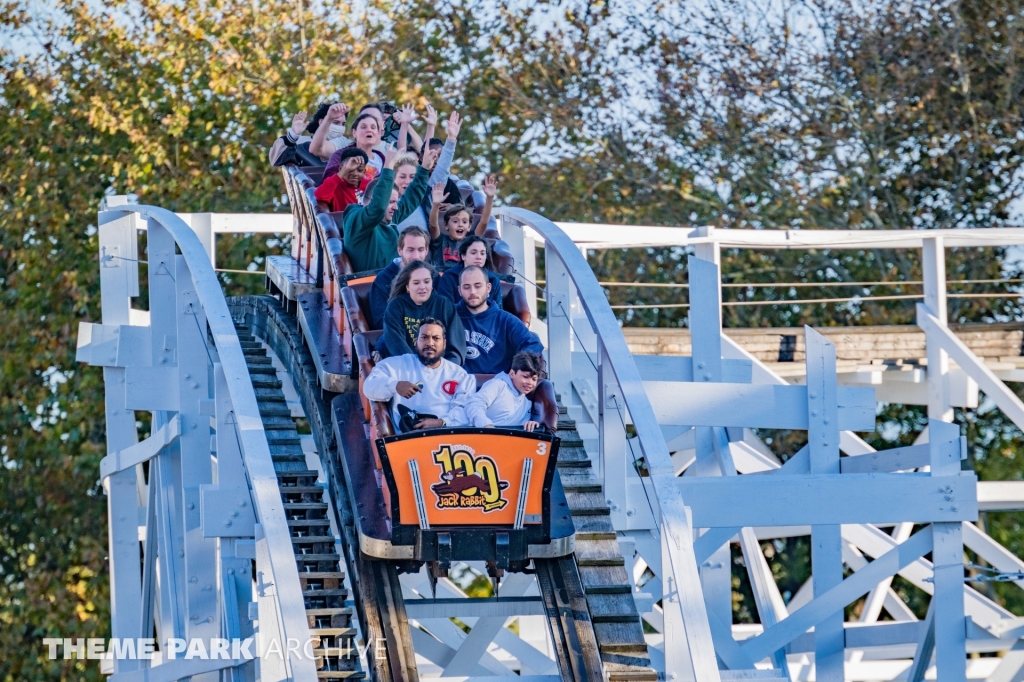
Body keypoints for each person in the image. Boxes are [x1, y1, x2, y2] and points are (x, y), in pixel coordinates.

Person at [363, 319, 475, 432]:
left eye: (436, 338)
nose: (430, 343)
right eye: (424, 337)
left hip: (447, 437)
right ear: (417, 342)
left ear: (444, 343)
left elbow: (465, 411)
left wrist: (441, 422)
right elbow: (368, 387)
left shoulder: (459, 375)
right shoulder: (396, 365)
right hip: (406, 440)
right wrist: (395, 385)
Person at [342, 145, 438, 273]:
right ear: (372, 200)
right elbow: (378, 207)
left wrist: (425, 168)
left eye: (396, 201)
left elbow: (410, 198)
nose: (396, 206)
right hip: (374, 287)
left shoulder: (388, 217)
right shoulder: (357, 219)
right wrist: (388, 167)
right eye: (392, 202)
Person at [456, 266, 543, 374]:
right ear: (459, 290)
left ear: (488, 288)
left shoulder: (505, 320)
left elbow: (533, 343)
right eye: (466, 287)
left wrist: (517, 369)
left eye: (478, 286)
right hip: (455, 385)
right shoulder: (448, 314)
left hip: (496, 385)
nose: (472, 291)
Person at [378, 260, 466, 364]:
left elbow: (456, 348)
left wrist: (445, 371)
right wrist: (419, 369)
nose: (422, 287)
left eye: (427, 281)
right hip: (407, 368)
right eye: (416, 283)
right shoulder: (396, 306)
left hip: (441, 371)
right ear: (407, 287)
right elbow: (397, 346)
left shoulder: (445, 305)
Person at [397, 110, 464, 231]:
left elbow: (442, 169)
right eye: (403, 176)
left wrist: (451, 139)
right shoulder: (390, 200)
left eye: (412, 177)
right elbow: (401, 156)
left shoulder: (429, 189)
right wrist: (404, 125)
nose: (407, 181)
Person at [429, 175, 497, 271]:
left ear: (469, 226)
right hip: (443, 277)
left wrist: (490, 198)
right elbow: (433, 225)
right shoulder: (440, 240)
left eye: (464, 222)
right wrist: (435, 204)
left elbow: (484, 221)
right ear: (445, 225)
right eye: (455, 221)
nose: (460, 224)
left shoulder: (470, 241)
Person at [465, 351, 544, 431]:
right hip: (480, 437)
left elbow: (521, 429)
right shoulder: (497, 385)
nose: (530, 383)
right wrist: (487, 426)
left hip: (508, 441)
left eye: (534, 379)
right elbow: (474, 404)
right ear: (512, 373)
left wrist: (530, 424)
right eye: (525, 377)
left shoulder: (527, 404)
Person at [369, 226, 430, 329]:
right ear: (400, 250)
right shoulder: (383, 279)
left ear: (426, 251)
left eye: (420, 250)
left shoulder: (434, 277)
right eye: (410, 250)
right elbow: (381, 322)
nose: (416, 256)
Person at [435, 236, 503, 307]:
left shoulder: (494, 280)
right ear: (463, 256)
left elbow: (498, 312)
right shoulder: (449, 277)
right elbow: (446, 310)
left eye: (482, 253)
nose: (479, 257)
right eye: (473, 253)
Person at [322, 111, 386, 184]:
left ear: (378, 134)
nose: (369, 130)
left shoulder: (381, 158)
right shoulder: (341, 155)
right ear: (354, 133)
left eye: (373, 127)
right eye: (363, 127)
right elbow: (327, 183)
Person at [312, 147, 368, 211]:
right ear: (341, 169)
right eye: (349, 170)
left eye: (360, 170)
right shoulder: (335, 185)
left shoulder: (370, 185)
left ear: (364, 171)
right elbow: (319, 195)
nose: (355, 174)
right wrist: (343, 171)